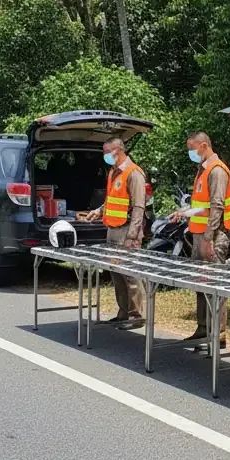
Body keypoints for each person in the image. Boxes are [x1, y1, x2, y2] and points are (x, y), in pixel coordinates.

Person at [78, 137, 146, 330]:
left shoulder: (134, 173)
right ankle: (123, 312)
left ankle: (136, 315)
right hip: (112, 229)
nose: (105, 156)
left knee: (130, 274)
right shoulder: (113, 172)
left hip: (127, 231)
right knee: (116, 274)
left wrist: (132, 237)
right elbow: (113, 200)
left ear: (118, 150)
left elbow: (139, 207)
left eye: (107, 152)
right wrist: (99, 211)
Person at [180, 132, 230, 349]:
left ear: (204, 146)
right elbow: (203, 206)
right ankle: (203, 328)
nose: (191, 153)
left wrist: (208, 237)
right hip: (200, 235)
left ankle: (218, 334)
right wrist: (185, 212)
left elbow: (217, 206)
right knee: (200, 283)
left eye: (192, 148)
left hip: (213, 236)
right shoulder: (202, 170)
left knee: (214, 285)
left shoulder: (217, 170)